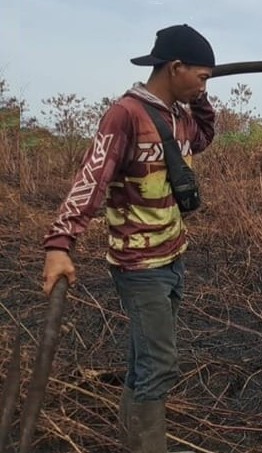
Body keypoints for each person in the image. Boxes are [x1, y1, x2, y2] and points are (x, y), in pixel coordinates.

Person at [41, 24, 217, 453]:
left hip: (173, 257)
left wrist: (202, 96)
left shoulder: (180, 115)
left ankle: (132, 439)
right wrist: (60, 244)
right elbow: (91, 179)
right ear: (175, 67)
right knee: (159, 365)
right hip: (141, 267)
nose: (203, 84)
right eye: (201, 76)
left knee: (145, 362)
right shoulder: (125, 114)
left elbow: (206, 136)